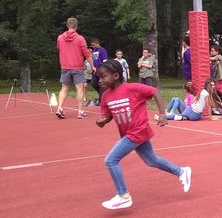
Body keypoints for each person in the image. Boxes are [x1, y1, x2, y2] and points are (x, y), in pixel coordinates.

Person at [95, 60, 191, 210]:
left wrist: (162, 114)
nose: (100, 80)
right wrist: (102, 121)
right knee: (151, 160)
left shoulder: (132, 88)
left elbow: (154, 92)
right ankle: (182, 171)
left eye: (103, 77)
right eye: (98, 77)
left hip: (137, 131)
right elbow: (107, 115)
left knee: (111, 160)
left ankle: (123, 196)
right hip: (129, 132)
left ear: (115, 75)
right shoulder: (106, 96)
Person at [56, 17, 95, 119]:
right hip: (77, 67)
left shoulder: (60, 38)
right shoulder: (80, 38)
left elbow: (59, 49)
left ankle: (59, 108)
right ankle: (80, 111)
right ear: (76, 26)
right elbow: (87, 54)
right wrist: (92, 66)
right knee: (79, 88)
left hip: (64, 66)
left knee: (64, 88)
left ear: (67, 25)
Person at [90, 38, 109, 105]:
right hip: (95, 70)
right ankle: (103, 95)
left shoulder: (102, 50)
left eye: (93, 45)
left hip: (101, 70)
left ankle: (101, 100)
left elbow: (105, 60)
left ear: (97, 44)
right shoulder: (94, 50)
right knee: (93, 83)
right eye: (92, 45)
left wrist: (103, 69)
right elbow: (93, 59)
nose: (92, 47)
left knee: (101, 85)